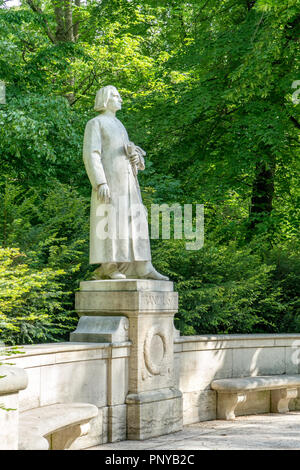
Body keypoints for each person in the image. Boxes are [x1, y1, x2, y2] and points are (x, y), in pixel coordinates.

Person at [83, 85, 169, 280]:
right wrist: (100, 182)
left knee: (135, 221)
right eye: (116, 96)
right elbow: (91, 154)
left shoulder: (120, 125)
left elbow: (125, 154)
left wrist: (136, 159)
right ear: (105, 99)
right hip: (110, 182)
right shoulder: (95, 123)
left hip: (128, 183)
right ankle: (109, 266)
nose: (120, 99)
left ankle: (143, 266)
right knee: (110, 221)